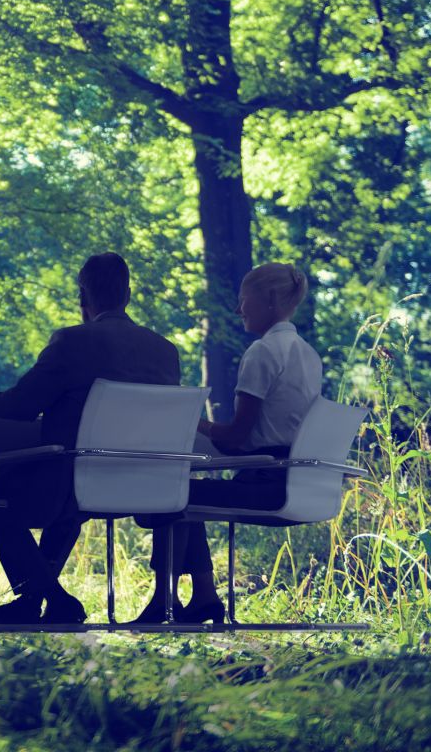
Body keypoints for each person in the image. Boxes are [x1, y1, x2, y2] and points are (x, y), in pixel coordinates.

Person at [0, 252, 181, 624]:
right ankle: (34, 603)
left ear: (82, 298)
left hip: (72, 481)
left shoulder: (71, 342)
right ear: (128, 294)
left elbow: (21, 406)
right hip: (143, 486)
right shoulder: (165, 352)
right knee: (67, 498)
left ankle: (55, 597)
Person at [133, 262, 323, 624]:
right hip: (296, 479)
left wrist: (192, 421)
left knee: (168, 494)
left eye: (243, 299)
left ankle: (164, 601)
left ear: (267, 299)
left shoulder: (262, 353)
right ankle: (203, 597)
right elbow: (262, 435)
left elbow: (237, 437)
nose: (239, 309)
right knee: (185, 493)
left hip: (265, 483)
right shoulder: (308, 355)